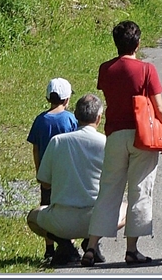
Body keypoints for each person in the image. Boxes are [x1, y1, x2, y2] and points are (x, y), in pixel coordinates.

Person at [84, 20, 162, 267]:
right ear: (138, 43)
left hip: (115, 135)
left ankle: (91, 247)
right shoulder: (147, 70)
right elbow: (159, 105)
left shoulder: (106, 69)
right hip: (141, 136)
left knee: (109, 190)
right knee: (140, 190)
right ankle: (132, 249)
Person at [26, 94, 107, 268]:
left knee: (32, 217)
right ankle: (91, 242)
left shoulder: (57, 142)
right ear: (99, 118)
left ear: (75, 116)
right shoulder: (105, 143)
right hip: (95, 220)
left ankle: (65, 245)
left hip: (61, 221)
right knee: (125, 209)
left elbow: (44, 181)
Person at [27, 78, 79, 264]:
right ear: (66, 99)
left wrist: (39, 170)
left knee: (47, 209)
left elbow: (35, 147)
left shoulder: (40, 120)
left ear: (48, 97)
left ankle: (49, 250)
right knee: (67, 208)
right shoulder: (70, 119)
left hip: (47, 175)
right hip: (66, 174)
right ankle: (69, 245)